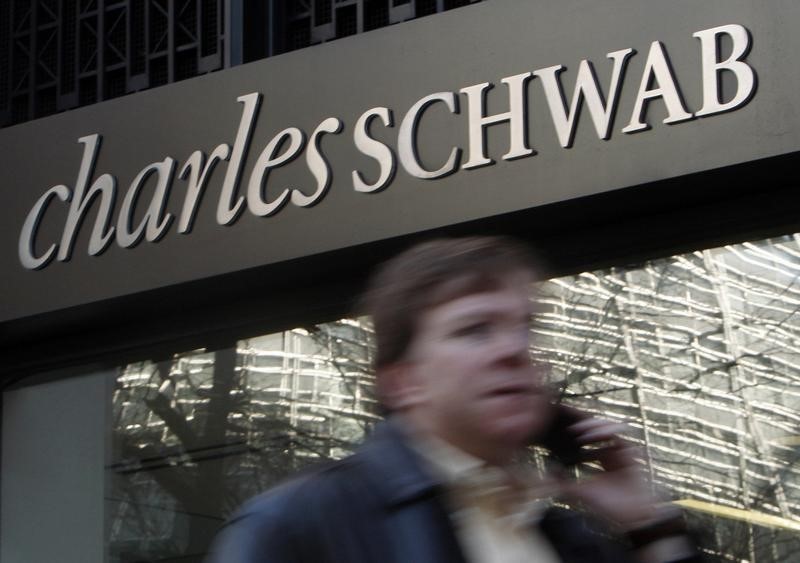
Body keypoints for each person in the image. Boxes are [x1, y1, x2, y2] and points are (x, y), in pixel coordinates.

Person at [207, 236, 702, 563]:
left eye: (525, 327)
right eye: (475, 330)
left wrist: (648, 525)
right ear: (403, 381)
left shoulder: (567, 537)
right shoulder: (298, 526)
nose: (515, 349)